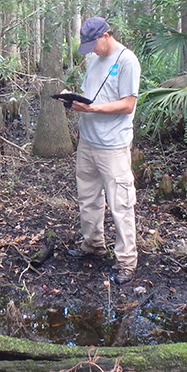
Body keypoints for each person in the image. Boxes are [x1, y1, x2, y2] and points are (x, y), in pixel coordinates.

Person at [58, 17, 141, 284]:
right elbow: (91, 96)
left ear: (106, 36)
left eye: (94, 44)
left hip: (113, 145)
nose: (92, 50)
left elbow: (127, 104)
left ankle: (126, 261)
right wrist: (71, 100)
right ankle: (92, 244)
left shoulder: (127, 60)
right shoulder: (93, 60)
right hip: (88, 142)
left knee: (121, 204)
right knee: (88, 197)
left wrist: (92, 109)